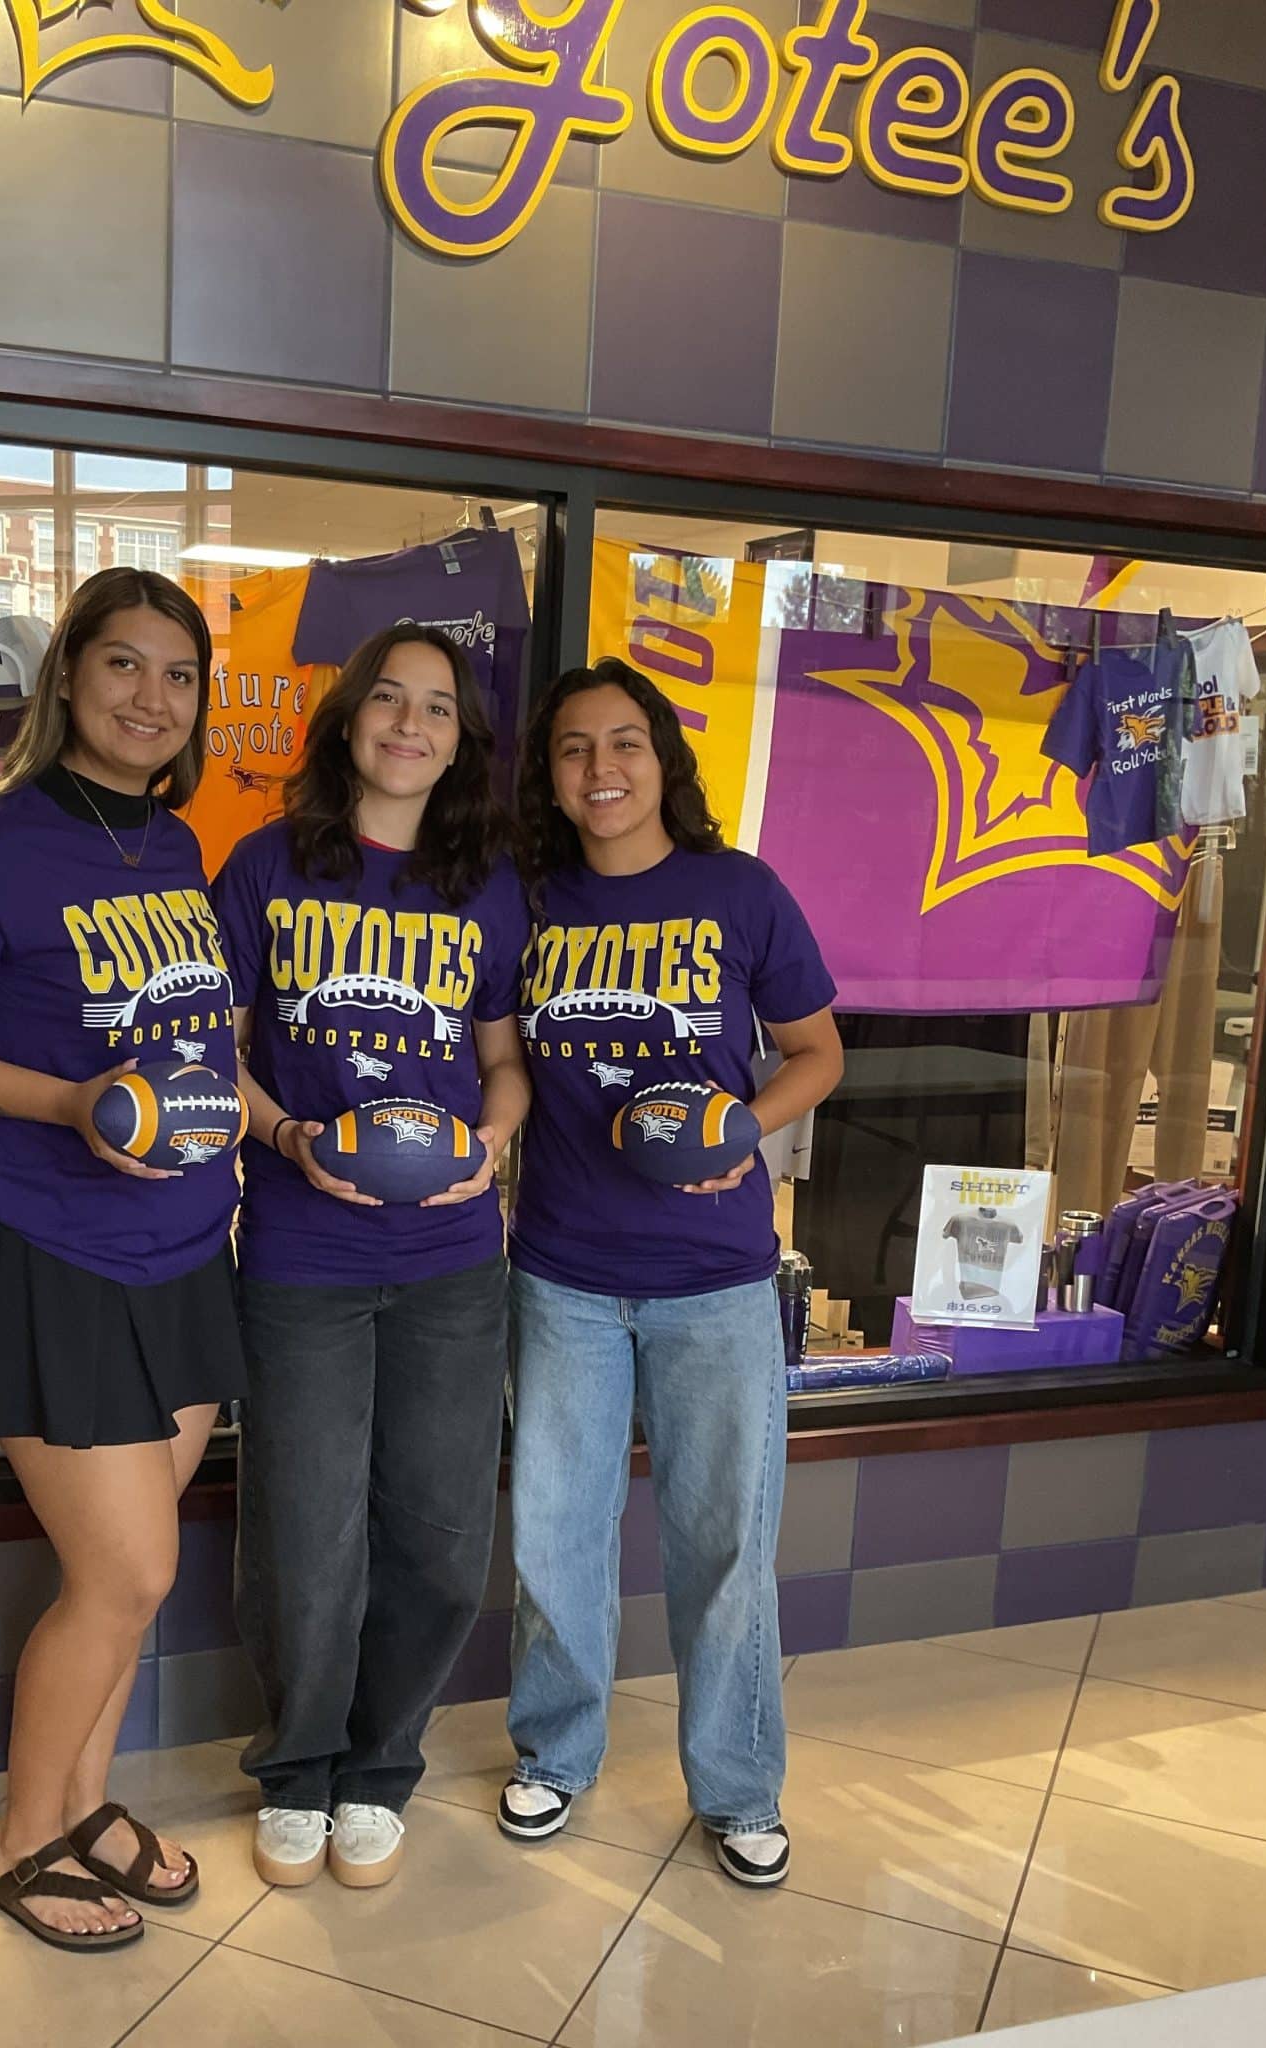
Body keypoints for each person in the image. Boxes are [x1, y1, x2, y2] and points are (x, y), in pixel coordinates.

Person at [0, 568, 245, 1951]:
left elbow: (198, 1044)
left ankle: (82, 1802)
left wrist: (276, 1128)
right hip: (55, 1250)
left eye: (180, 675)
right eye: (126, 666)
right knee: (127, 1575)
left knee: (128, 1569)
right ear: (69, 676)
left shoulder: (178, 847)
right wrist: (72, 1104)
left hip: (189, 1246)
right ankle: (22, 1842)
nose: (153, 697)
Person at [499, 656, 843, 1887]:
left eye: (625, 743)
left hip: (714, 1279)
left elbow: (815, 1051)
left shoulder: (736, 891)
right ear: (549, 774)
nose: (601, 769)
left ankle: (738, 1784)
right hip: (562, 1273)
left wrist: (743, 1125)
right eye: (575, 748)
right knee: (555, 1535)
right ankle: (555, 1749)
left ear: (662, 760)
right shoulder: (528, 901)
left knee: (724, 1545)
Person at [214, 622, 531, 1890]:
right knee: (302, 1527)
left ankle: (378, 1765)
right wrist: (288, 1130)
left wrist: (488, 1146)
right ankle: (296, 1771)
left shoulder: (488, 881)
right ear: (348, 719)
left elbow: (503, 1063)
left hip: (453, 1254)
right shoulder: (266, 867)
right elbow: (216, 1054)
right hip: (302, 1251)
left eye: (438, 708)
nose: (410, 723)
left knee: (442, 1531)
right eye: (388, 700)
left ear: (461, 740)